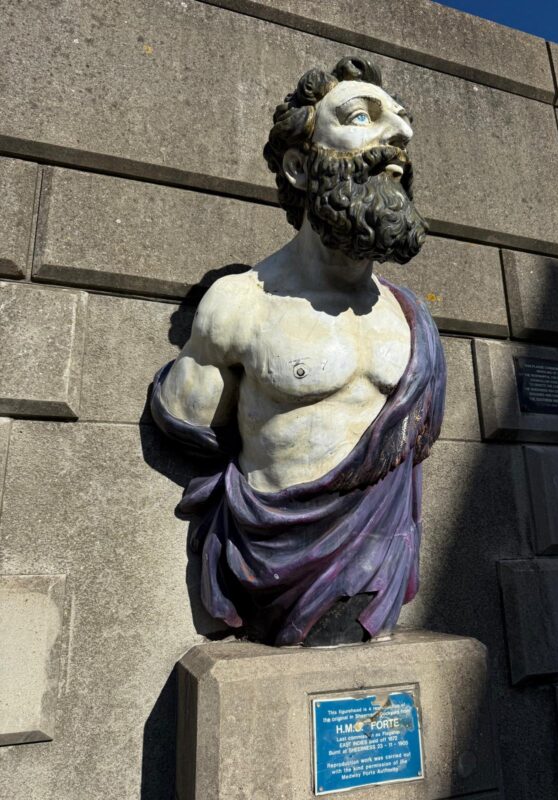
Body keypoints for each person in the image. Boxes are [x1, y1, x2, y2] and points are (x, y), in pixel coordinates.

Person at [151, 56, 446, 646]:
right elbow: (190, 423)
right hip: (273, 572)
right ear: (298, 166)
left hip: (378, 576)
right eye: (362, 116)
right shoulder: (239, 305)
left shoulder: (413, 320)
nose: (400, 134)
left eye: (402, 120)